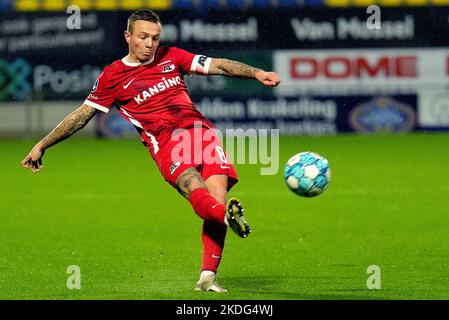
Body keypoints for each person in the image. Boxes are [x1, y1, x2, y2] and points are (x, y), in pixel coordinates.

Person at [21, 9, 281, 292]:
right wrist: (42, 144)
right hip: (167, 144)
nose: (149, 44)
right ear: (128, 36)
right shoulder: (113, 77)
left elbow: (217, 65)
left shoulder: (172, 56)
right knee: (197, 190)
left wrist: (257, 72)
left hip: (201, 134)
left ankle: (207, 277)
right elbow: (82, 116)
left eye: (155, 38)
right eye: (143, 37)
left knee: (216, 199)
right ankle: (226, 218)